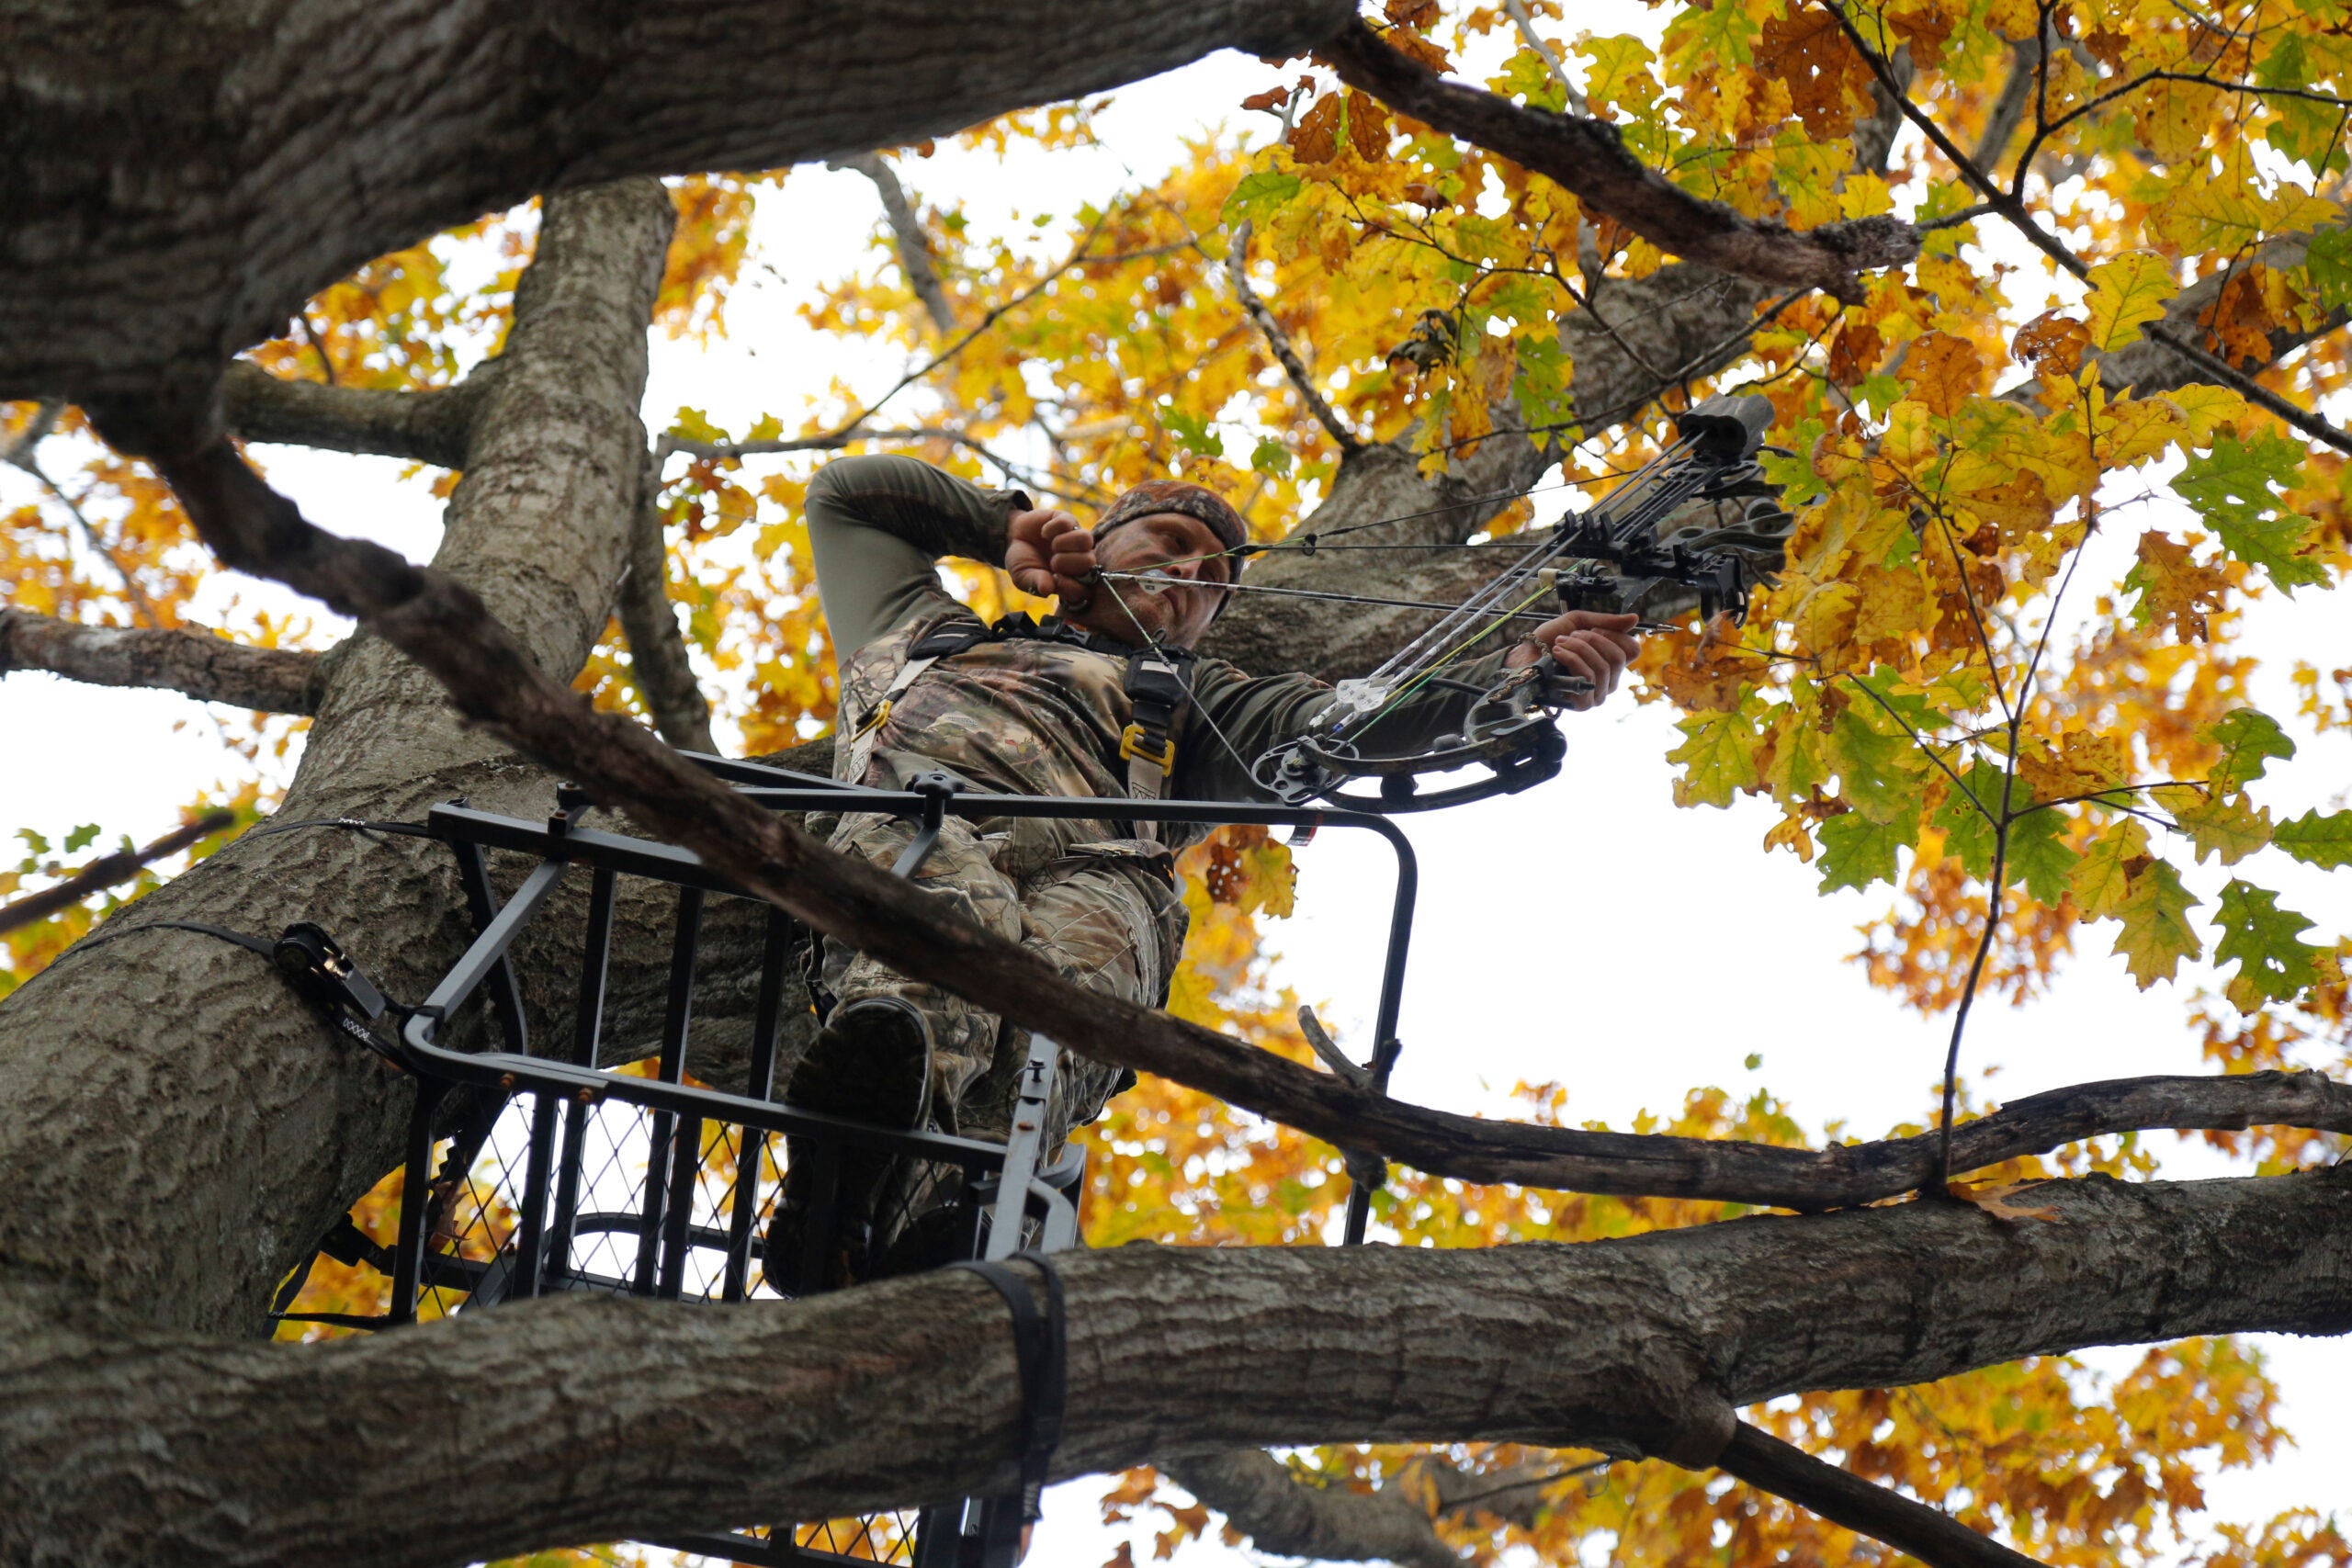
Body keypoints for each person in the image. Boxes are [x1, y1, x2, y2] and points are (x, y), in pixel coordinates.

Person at [768, 454, 1637, 1285]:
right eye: (1171, 542)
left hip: (1098, 866)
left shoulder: (1200, 700)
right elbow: (848, 497)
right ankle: (872, 1143)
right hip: (927, 815)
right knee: (946, 918)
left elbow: (1342, 723)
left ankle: (917, 1207)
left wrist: (1519, 678)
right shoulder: (920, 630)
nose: (1193, 574)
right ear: (1100, 548)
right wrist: (1009, 529)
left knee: (1069, 1001)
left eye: (1216, 580)